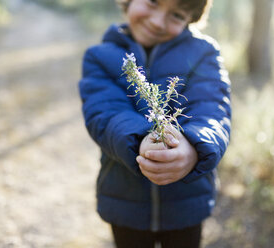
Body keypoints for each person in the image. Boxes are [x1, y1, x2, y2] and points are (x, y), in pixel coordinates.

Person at [78, 0, 231, 247]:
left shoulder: (203, 53)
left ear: (190, 20)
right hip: (125, 203)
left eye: (177, 15)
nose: (158, 22)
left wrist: (193, 147)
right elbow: (104, 114)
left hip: (187, 203)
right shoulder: (99, 57)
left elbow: (213, 111)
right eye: (152, 2)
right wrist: (140, 139)